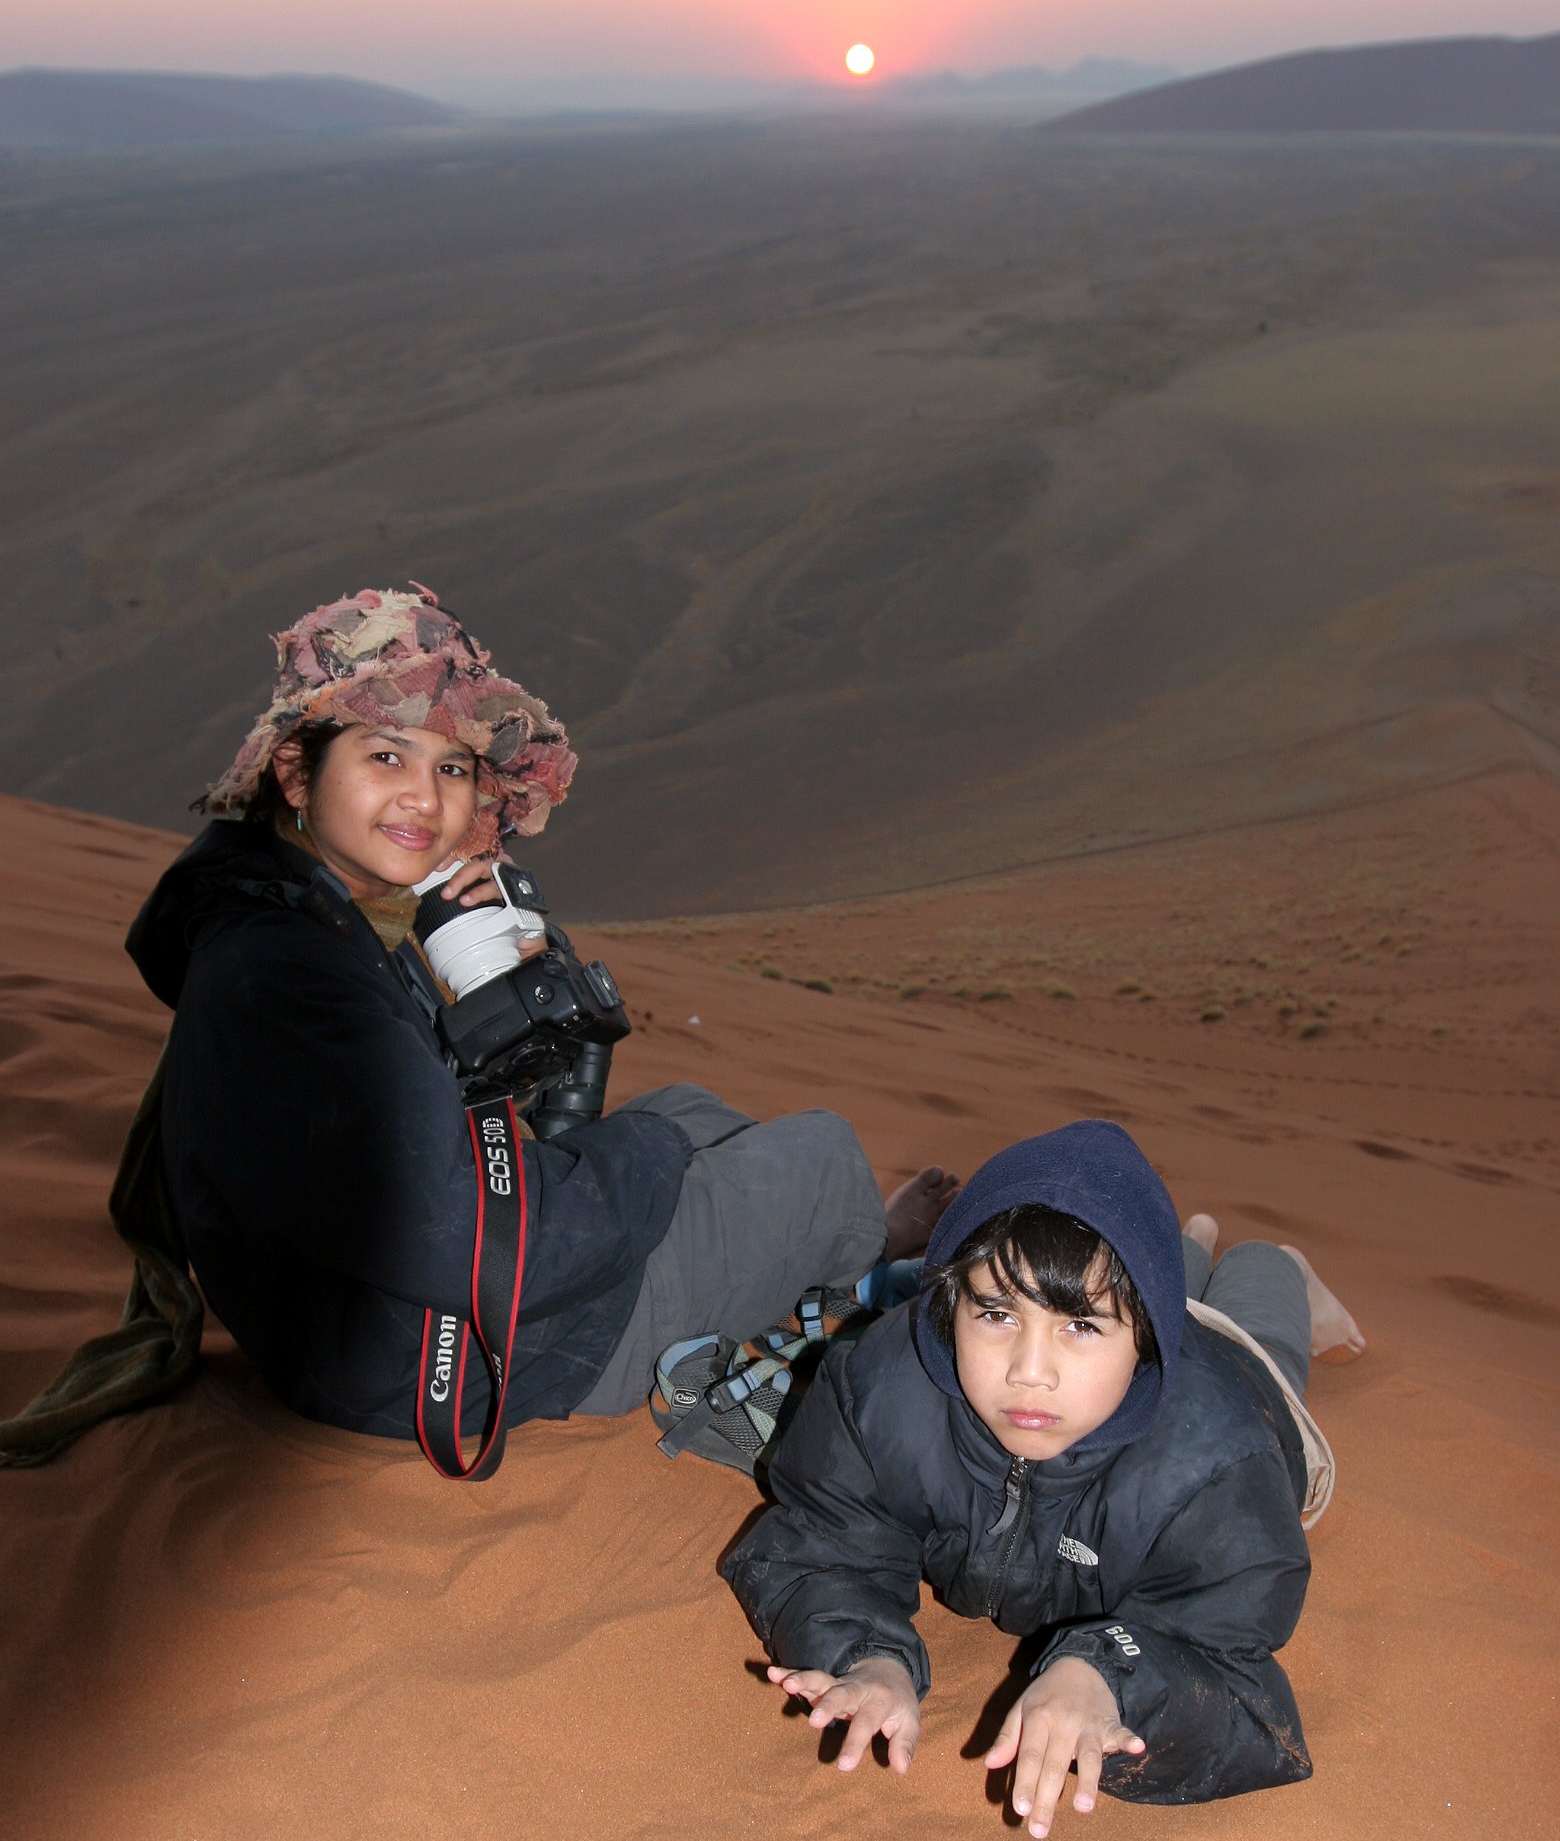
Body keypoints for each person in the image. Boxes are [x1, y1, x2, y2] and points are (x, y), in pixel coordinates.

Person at [0, 583, 955, 1466]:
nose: (427, 798)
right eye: (386, 755)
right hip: (457, 1364)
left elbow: (394, 1141)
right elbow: (466, 1241)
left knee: (694, 1112)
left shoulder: (292, 914)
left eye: (451, 766)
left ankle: (799, 1268)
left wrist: (529, 1006)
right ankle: (860, 1287)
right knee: (820, 1155)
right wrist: (648, 1154)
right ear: (295, 773)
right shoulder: (292, 972)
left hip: (365, 1328)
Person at [722, 1119, 1365, 1835]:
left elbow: (1236, 1678)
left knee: (1262, 1317)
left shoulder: (1220, 1466)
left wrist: (1106, 1678)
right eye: (997, 1313)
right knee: (1123, 1265)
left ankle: (1281, 1268)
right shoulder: (880, 1385)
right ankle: (1183, 1248)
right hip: (1134, 1293)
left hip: (1239, 1378)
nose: (1030, 1372)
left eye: (1080, 1328)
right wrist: (867, 1659)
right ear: (950, 1303)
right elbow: (823, 1537)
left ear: (1144, 1337)